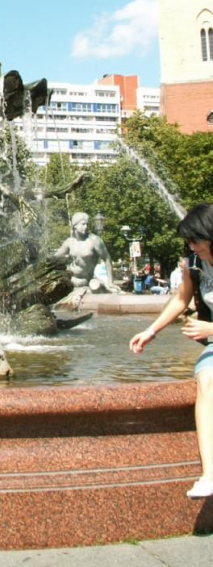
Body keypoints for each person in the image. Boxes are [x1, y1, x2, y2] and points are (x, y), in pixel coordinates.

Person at [130, 203, 213, 499]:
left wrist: (210, 330)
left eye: (195, 240)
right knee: (206, 381)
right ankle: (209, 475)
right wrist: (150, 331)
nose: (191, 247)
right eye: (188, 242)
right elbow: (181, 300)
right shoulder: (194, 264)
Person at [53, 212, 121, 305]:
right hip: (70, 282)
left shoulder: (94, 240)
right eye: (83, 224)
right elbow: (55, 257)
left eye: (87, 224)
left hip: (88, 282)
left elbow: (107, 259)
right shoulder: (69, 242)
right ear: (75, 226)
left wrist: (110, 282)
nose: (86, 226)